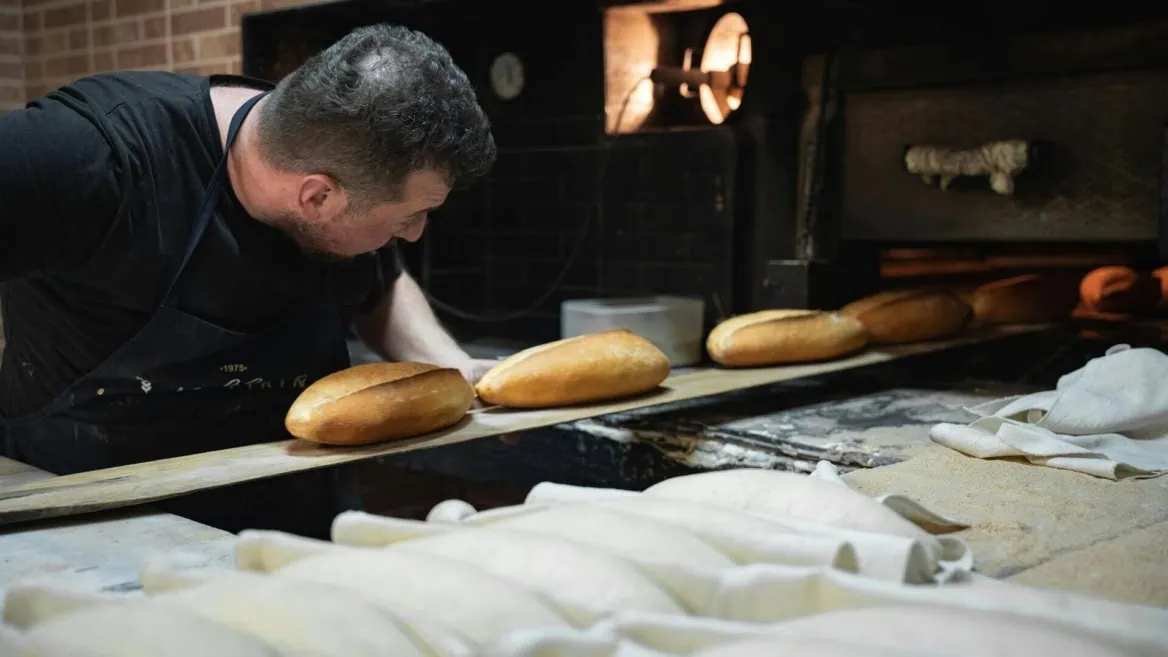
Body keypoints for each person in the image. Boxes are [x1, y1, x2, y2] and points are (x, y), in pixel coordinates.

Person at [0, 24, 498, 538]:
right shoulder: (93, 154)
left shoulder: (335, 150)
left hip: (292, 528)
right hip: (91, 527)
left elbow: (382, 282)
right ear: (317, 197)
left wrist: (449, 366)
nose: (414, 234)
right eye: (409, 216)